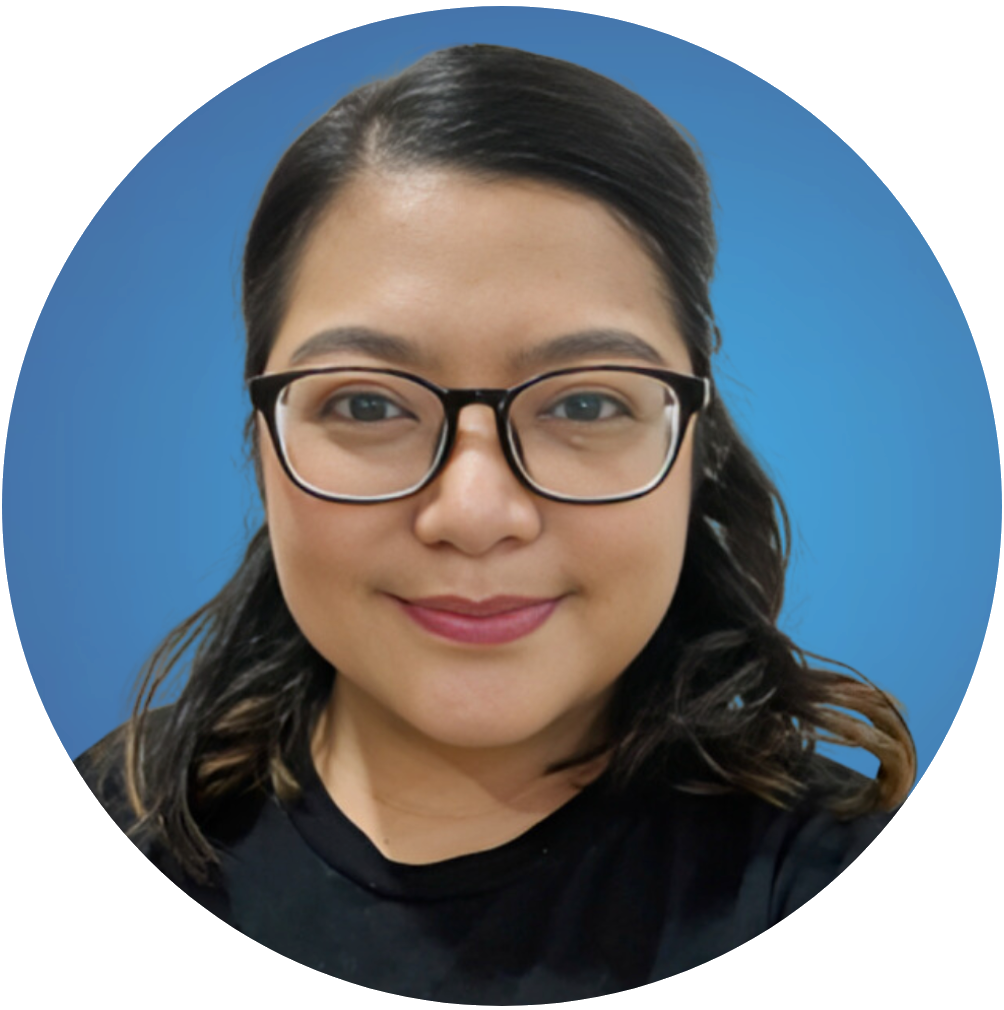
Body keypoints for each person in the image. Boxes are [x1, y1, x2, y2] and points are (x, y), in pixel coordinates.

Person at [76, 44, 916, 1000]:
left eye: (586, 404)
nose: (475, 514)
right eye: (367, 405)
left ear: (697, 444)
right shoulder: (129, 816)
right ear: (261, 445)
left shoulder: (807, 878)